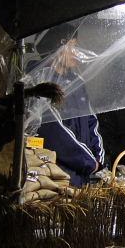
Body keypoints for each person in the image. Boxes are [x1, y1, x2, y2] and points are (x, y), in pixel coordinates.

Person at [31, 22, 105, 187]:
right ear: (58, 47)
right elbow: (53, 129)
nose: (77, 54)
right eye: (72, 47)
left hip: (82, 175)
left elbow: (92, 122)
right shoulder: (40, 80)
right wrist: (89, 162)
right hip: (54, 176)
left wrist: (98, 159)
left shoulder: (77, 82)